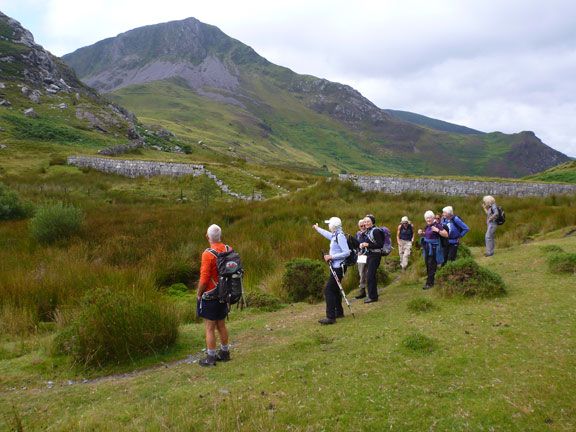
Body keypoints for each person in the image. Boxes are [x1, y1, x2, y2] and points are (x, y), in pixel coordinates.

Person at [196, 224, 231, 367]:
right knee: (221, 325)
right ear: (220, 236)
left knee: (209, 327)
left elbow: (204, 278)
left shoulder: (207, 254)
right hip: (224, 294)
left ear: (207, 237)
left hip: (210, 295)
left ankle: (210, 358)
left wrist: (199, 293)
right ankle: (224, 353)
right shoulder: (229, 249)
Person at [313, 217, 351, 324]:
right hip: (335, 267)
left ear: (333, 225)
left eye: (329, 224)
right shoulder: (335, 235)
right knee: (334, 289)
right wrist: (318, 229)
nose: (328, 225)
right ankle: (338, 312)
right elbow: (328, 235)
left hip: (339, 267)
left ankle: (330, 317)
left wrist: (331, 257)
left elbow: (346, 252)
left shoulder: (340, 236)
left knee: (328, 290)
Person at [417, 210, 448, 290]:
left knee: (431, 266)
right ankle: (431, 281)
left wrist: (438, 230)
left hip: (434, 249)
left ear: (433, 217)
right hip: (427, 248)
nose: (428, 220)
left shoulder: (437, 225)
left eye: (430, 218)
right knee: (428, 265)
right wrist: (422, 234)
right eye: (427, 218)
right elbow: (427, 235)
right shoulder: (427, 226)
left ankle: (429, 283)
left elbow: (446, 234)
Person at [358, 214, 384, 303]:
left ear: (372, 222)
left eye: (368, 221)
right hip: (370, 256)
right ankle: (373, 296)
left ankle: (372, 297)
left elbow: (380, 244)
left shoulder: (375, 231)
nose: (366, 223)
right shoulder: (369, 231)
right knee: (371, 276)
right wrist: (363, 245)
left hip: (375, 256)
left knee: (370, 276)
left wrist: (367, 244)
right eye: (365, 222)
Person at [355, 219, 369, 299]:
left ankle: (372, 290)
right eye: (361, 226)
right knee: (361, 272)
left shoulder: (369, 232)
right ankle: (362, 290)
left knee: (370, 272)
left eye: (364, 225)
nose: (363, 227)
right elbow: (356, 244)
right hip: (361, 255)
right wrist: (358, 252)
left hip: (370, 255)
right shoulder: (358, 234)